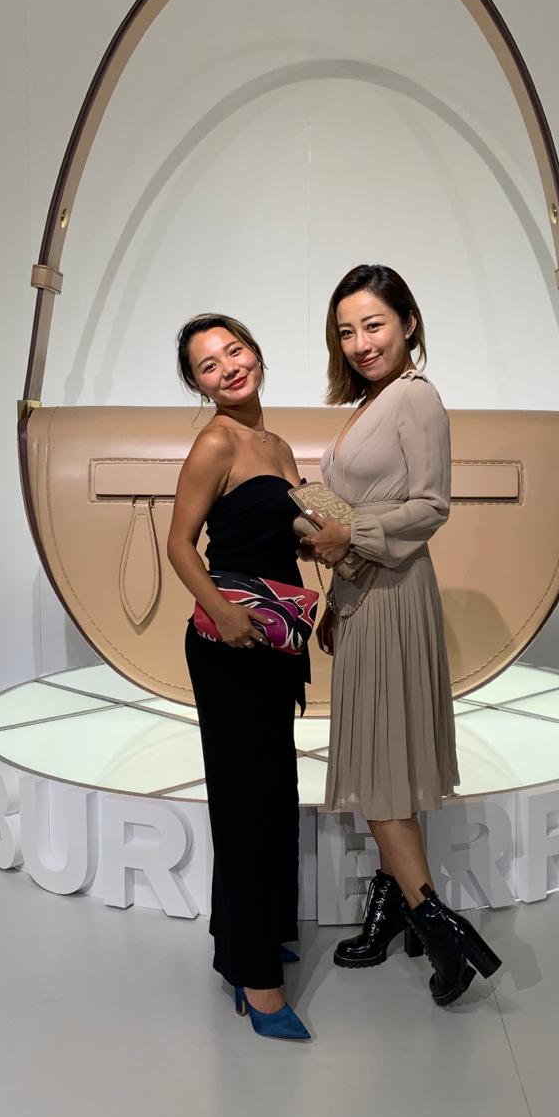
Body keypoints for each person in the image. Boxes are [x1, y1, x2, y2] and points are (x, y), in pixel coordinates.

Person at [302, 264, 502, 1006]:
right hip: (365, 591)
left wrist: (347, 534)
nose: (360, 342)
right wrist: (335, 585)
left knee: (381, 769)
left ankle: (442, 929)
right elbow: (364, 510)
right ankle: (393, 911)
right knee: (386, 759)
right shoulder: (371, 403)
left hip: (393, 594)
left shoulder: (415, 396)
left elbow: (430, 506)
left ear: (408, 323)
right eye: (346, 331)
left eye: (373, 324)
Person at [167, 314, 311, 1042]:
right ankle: (256, 982)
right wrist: (223, 614)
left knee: (273, 792)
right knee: (245, 803)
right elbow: (179, 544)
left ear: (255, 352)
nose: (227, 367)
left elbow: (285, 541)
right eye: (207, 365)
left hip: (275, 637)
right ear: (199, 386)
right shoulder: (216, 442)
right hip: (230, 642)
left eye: (234, 350)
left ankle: (251, 937)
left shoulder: (277, 446)